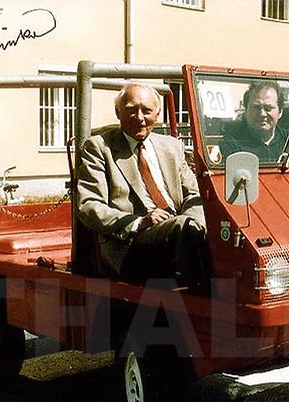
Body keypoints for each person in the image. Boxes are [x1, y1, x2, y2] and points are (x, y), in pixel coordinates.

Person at [77, 83, 210, 290]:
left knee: (217, 230)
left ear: (157, 114)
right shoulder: (99, 147)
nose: (139, 118)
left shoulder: (172, 146)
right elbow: (89, 206)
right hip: (130, 244)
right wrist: (139, 222)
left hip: (178, 233)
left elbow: (194, 194)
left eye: (147, 111)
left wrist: (195, 224)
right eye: (131, 110)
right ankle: (206, 300)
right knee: (182, 227)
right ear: (118, 112)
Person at [223, 80, 289, 162]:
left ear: (280, 112)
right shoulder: (231, 143)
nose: (262, 114)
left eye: (268, 108)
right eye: (256, 107)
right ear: (246, 110)